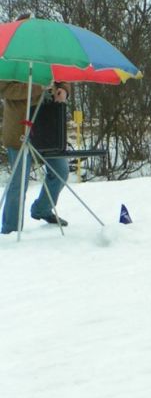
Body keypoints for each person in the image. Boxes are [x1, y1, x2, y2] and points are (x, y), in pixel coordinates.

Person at [1, 15, 70, 235]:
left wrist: (63, 90)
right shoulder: (7, 58)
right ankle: (11, 229)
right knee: (19, 181)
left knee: (60, 170)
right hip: (19, 128)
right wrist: (37, 88)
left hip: (46, 126)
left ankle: (41, 208)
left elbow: (61, 76)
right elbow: (4, 90)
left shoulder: (46, 53)